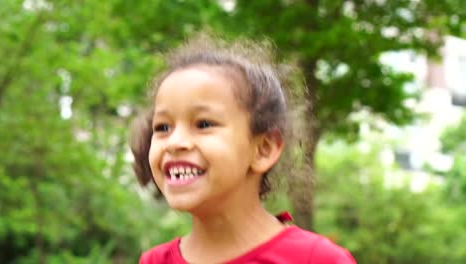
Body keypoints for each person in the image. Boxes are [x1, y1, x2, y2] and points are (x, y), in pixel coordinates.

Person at [130, 34, 357, 264]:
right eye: (163, 127)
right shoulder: (154, 260)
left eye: (204, 124)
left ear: (263, 149)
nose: (174, 142)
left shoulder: (317, 259)